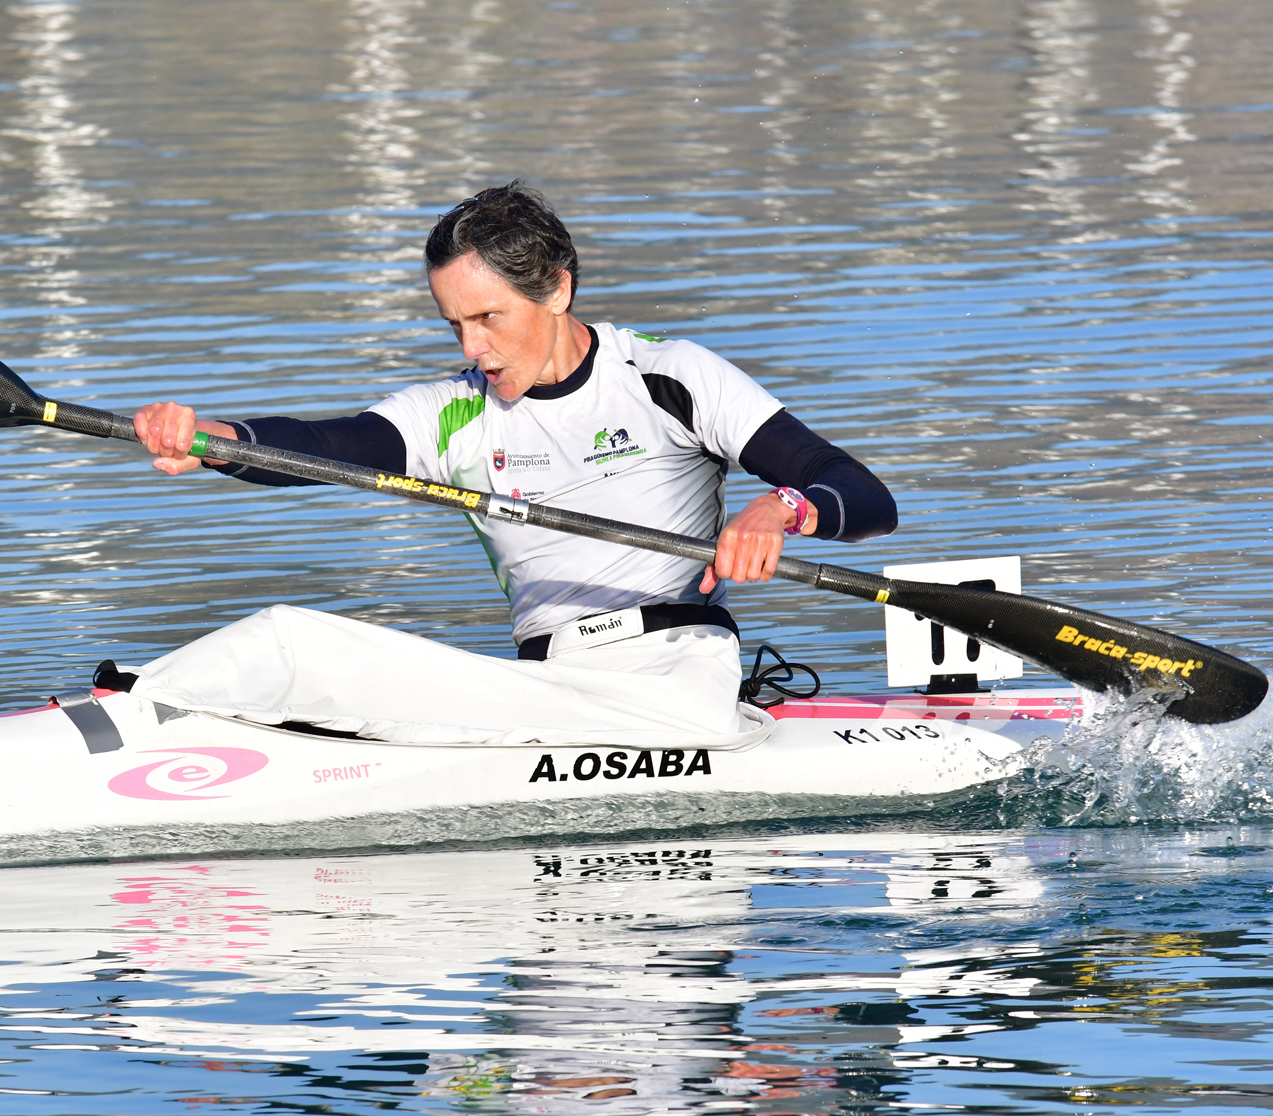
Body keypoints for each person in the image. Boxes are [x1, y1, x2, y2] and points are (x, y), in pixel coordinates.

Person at [128, 182, 895, 746]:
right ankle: (138, 714)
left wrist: (780, 509)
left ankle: (144, 723)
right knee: (289, 641)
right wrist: (212, 439)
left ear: (557, 288)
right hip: (547, 683)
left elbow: (860, 493)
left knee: (293, 647)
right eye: (454, 324)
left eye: (488, 317)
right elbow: (329, 447)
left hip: (676, 677)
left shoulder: (670, 377)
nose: (472, 348)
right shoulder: (454, 412)